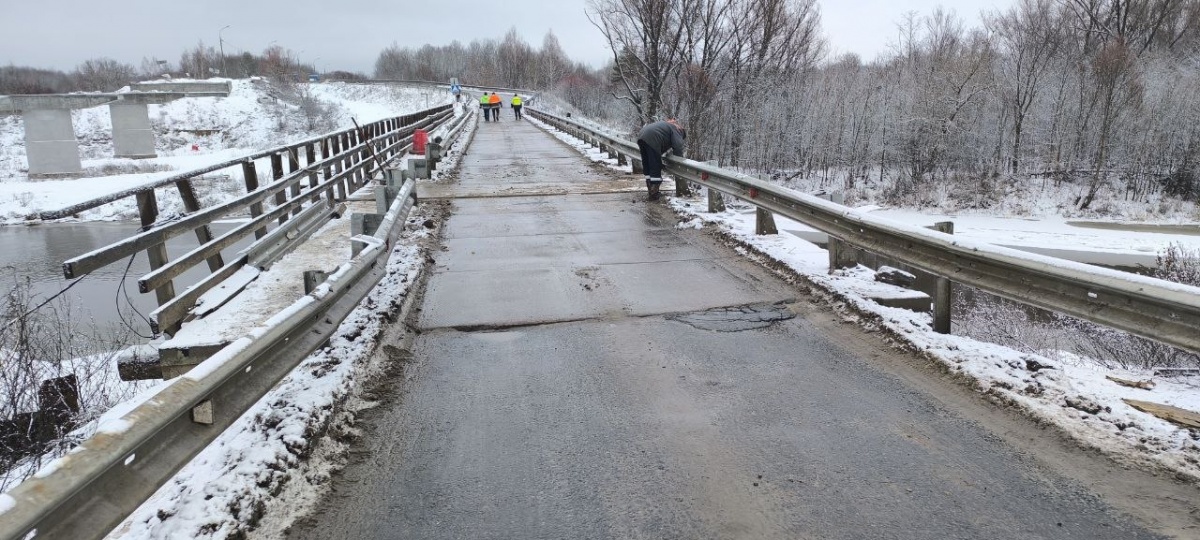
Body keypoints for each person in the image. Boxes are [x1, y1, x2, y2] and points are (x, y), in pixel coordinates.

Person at [636, 118, 686, 200]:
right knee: (655, 164)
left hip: (642, 135)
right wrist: (679, 161)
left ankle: (650, 188)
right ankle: (654, 193)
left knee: (647, 163)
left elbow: (663, 143)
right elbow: (678, 146)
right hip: (653, 137)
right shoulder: (677, 130)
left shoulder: (666, 126)